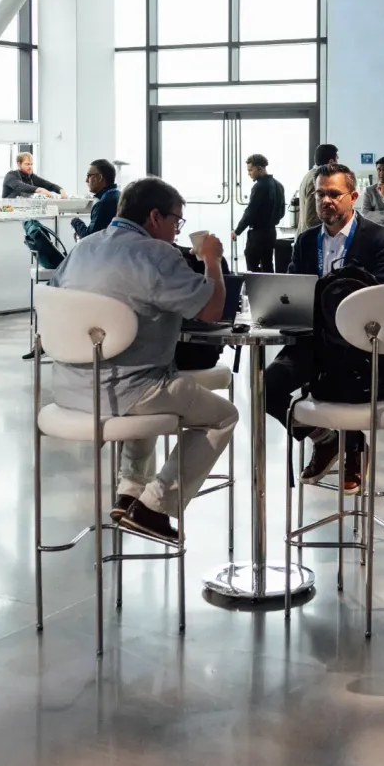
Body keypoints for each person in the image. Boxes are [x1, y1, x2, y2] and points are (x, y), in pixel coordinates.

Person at [51, 177, 237, 543]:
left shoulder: (83, 249)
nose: (175, 232)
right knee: (222, 416)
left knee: (153, 377)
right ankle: (154, 506)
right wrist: (211, 260)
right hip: (126, 392)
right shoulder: (155, 254)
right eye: (175, 222)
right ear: (154, 216)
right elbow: (212, 309)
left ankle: (130, 491)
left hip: (70, 390)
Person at [262, 162, 384, 492]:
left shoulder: (379, 240)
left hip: (363, 345)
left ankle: (354, 449)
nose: (326, 200)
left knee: (338, 382)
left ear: (353, 196)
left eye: (334, 194)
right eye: (319, 194)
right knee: (268, 387)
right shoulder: (306, 241)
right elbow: (295, 289)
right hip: (313, 341)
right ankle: (325, 438)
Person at [234, 153, 285, 272]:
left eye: (250, 170)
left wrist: (237, 231)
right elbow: (282, 211)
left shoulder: (259, 187)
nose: (249, 173)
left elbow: (250, 212)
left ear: (259, 168)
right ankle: (270, 290)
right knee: (268, 265)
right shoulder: (278, 185)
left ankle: (254, 290)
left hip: (258, 235)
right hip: (271, 233)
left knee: (252, 266)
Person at [72, 159, 119, 239]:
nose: (86, 180)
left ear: (100, 177)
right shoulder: (118, 195)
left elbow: (90, 237)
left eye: (89, 176)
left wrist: (75, 221)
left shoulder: (103, 204)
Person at [296, 142, 338, 232]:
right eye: (337, 159)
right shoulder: (315, 179)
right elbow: (311, 218)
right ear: (331, 162)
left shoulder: (309, 175)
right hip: (311, 239)